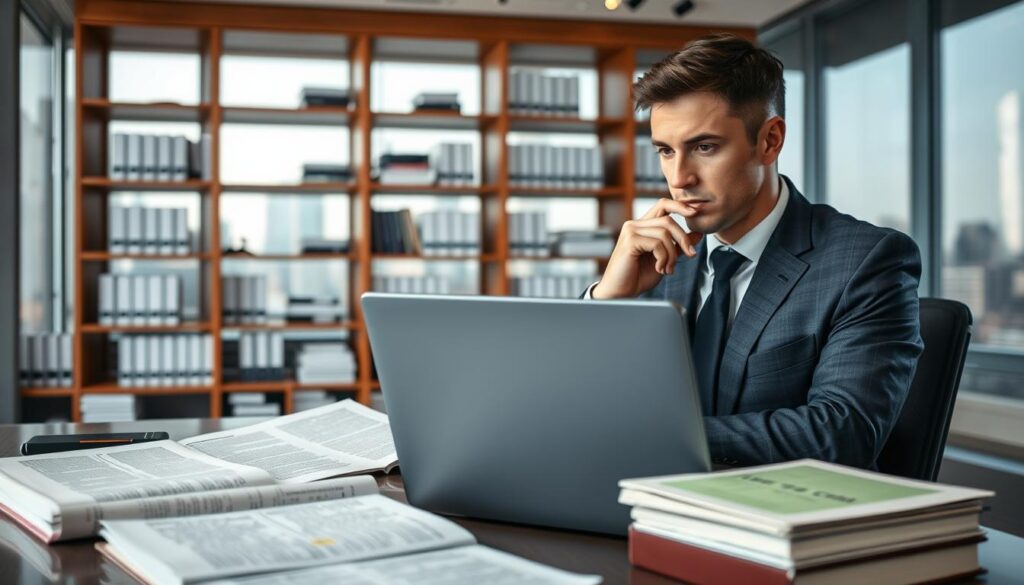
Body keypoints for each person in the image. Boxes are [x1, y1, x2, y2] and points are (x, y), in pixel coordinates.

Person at [587, 33, 923, 469]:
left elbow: (842, 431)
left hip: (783, 523)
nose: (680, 177)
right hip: (646, 505)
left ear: (769, 141)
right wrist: (606, 303)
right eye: (666, 151)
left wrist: (656, 434)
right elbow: (580, 404)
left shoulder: (867, 261)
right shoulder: (657, 261)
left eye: (704, 147)